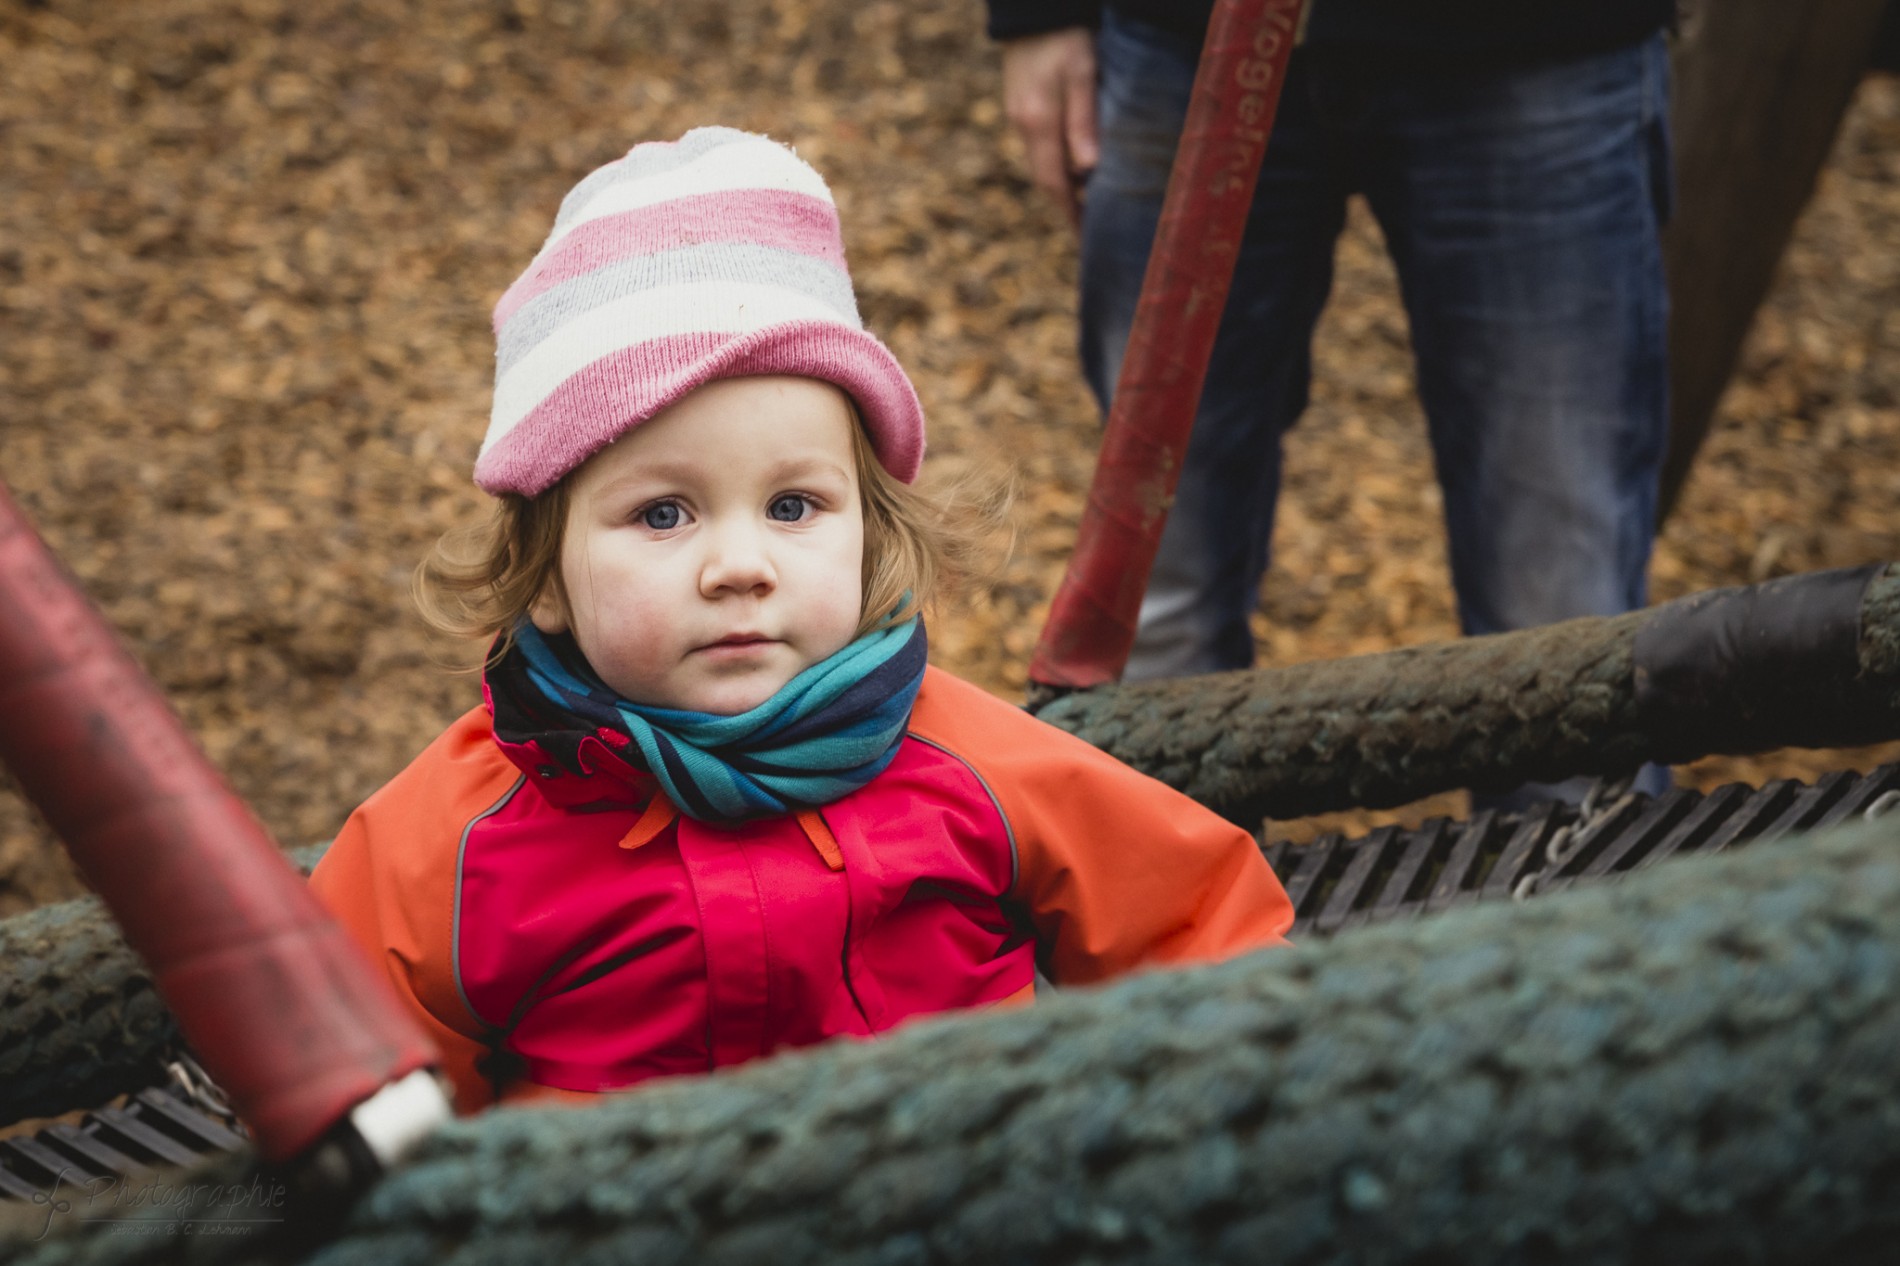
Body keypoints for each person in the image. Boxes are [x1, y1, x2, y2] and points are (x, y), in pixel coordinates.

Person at [309, 127, 1294, 1112]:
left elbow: (1204, 930)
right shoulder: (457, 841)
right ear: (547, 580)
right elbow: (344, 1068)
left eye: (792, 508)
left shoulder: (969, 767)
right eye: (662, 514)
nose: (741, 566)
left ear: (869, 532)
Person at [992, 2, 1676, 804]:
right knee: (1158, 600)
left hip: (1538, 44)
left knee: (1563, 598)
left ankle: (1575, 918)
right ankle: (1164, 912)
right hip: (1183, 41)